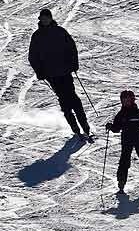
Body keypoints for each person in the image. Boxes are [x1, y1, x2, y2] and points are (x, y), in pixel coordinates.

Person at [28, 9, 91, 139]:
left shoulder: (60, 32)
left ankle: (85, 126)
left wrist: (74, 64)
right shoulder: (37, 36)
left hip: (65, 71)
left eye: (47, 17)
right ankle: (75, 128)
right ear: (40, 20)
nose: (45, 20)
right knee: (64, 101)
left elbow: (71, 48)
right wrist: (39, 72)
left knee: (73, 98)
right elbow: (33, 57)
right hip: (51, 74)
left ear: (51, 18)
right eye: (42, 18)